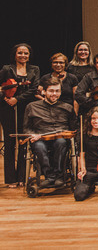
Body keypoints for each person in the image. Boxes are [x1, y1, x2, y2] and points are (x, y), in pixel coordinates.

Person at [0, 43, 40, 186]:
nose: (23, 55)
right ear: (15, 54)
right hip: (7, 108)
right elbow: (1, 87)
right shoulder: (6, 69)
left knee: (24, 142)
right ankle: (11, 179)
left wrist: (17, 99)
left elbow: (34, 88)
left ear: (29, 56)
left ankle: (23, 177)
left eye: (26, 53)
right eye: (20, 53)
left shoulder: (35, 69)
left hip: (26, 108)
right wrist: (5, 98)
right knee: (10, 143)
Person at [24, 78, 76, 188]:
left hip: (60, 138)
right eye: (51, 91)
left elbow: (74, 129)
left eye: (57, 91)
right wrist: (32, 134)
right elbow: (26, 128)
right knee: (38, 146)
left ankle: (59, 175)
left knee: (61, 142)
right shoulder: (32, 107)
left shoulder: (68, 108)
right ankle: (50, 176)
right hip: (40, 138)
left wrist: (70, 133)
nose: (54, 94)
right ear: (44, 92)